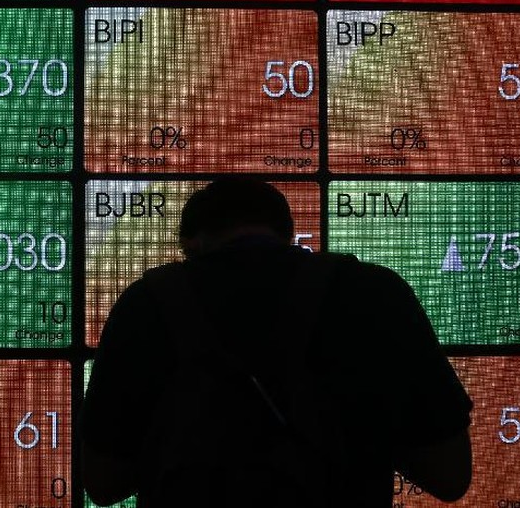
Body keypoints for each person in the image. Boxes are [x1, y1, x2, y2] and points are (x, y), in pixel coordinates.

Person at [81, 179, 472, 506]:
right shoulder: (375, 293)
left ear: (191, 245)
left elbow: (101, 483)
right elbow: (450, 476)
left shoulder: (146, 303)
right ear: (287, 235)